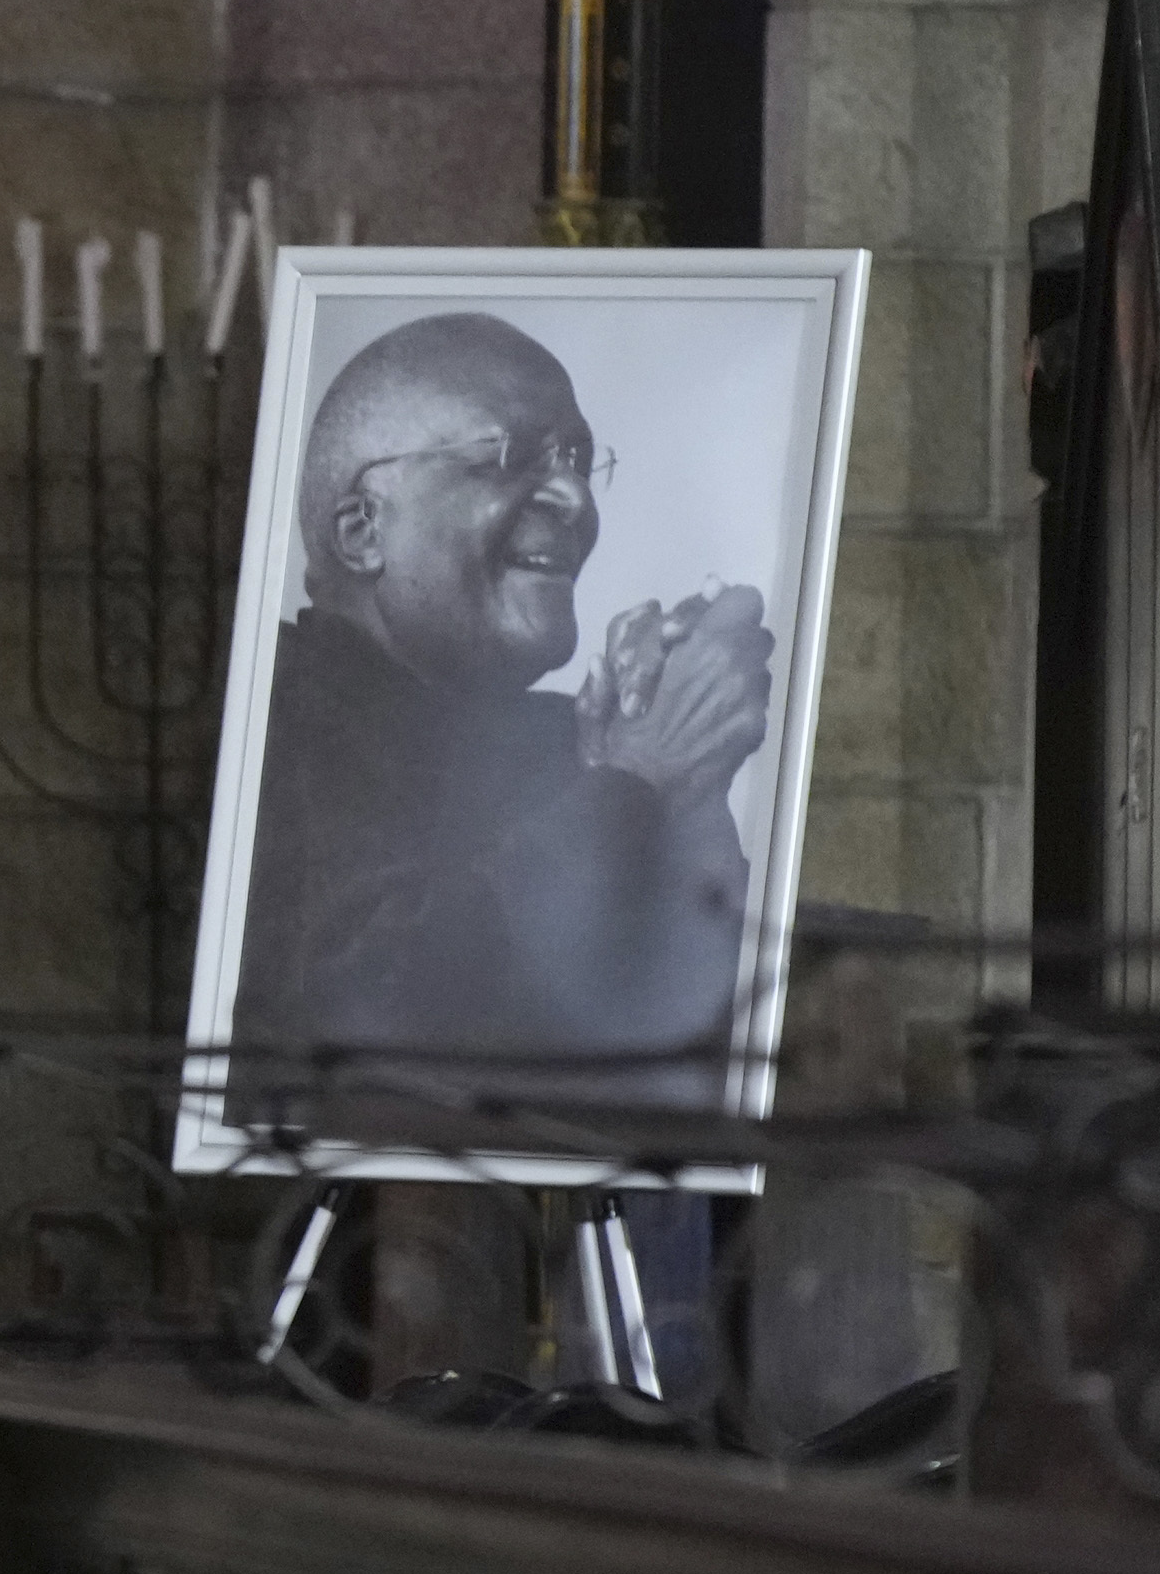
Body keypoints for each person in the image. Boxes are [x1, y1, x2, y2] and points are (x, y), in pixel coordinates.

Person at [232, 311, 774, 1102]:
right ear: (361, 532)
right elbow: (375, 1027)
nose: (574, 497)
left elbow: (683, 1048)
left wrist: (688, 788)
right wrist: (637, 780)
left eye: (581, 460)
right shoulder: (274, 720)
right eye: (513, 457)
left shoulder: (560, 739)